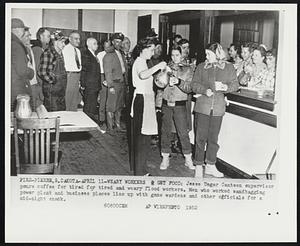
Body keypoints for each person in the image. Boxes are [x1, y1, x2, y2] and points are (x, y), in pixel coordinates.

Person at [191, 42, 239, 178]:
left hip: (218, 108)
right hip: (202, 107)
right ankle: (199, 166)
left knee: (213, 139)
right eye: (206, 54)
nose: (206, 56)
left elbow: (235, 84)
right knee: (200, 138)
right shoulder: (201, 67)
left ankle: (211, 165)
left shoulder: (228, 68)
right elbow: (194, 85)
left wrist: (225, 88)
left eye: (209, 54)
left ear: (218, 54)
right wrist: (204, 90)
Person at [130, 38, 167, 176]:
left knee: (144, 137)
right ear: (143, 49)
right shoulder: (139, 62)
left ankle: (140, 169)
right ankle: (140, 173)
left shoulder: (145, 62)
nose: (153, 53)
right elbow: (142, 75)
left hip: (146, 99)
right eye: (151, 50)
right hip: (142, 100)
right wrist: (158, 66)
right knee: (142, 138)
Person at [155, 46, 195, 170]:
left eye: (177, 55)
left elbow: (190, 88)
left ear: (182, 55)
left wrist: (178, 82)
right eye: (172, 55)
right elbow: (158, 85)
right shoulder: (166, 67)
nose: (174, 57)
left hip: (180, 105)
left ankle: (188, 159)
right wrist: (163, 74)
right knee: (165, 132)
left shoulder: (188, 69)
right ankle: (165, 158)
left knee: (183, 133)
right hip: (166, 103)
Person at [103, 32, 128, 132]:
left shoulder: (121, 54)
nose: (119, 44)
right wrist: (111, 86)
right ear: (112, 42)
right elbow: (107, 72)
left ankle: (117, 125)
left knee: (119, 106)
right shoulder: (109, 55)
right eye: (117, 42)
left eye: (120, 42)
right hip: (114, 83)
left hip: (122, 83)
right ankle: (110, 128)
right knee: (111, 106)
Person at [38, 30, 68, 111]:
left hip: (60, 93)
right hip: (52, 94)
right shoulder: (48, 53)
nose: (64, 45)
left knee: (61, 115)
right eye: (62, 42)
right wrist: (54, 81)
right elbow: (42, 72)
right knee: (53, 115)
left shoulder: (59, 54)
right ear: (55, 42)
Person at [11, 18, 35, 111]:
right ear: (16, 30)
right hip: (19, 90)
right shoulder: (16, 45)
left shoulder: (11, 43)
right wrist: (31, 71)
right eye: (22, 29)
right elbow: (22, 71)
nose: (23, 32)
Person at [21, 27, 46, 115]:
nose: (29, 38)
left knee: (37, 108)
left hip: (34, 84)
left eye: (29, 36)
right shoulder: (21, 50)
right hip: (28, 85)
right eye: (27, 36)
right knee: (29, 109)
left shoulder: (30, 49)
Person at [80, 38, 101, 122]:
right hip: (89, 85)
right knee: (89, 106)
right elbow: (84, 70)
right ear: (88, 44)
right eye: (94, 44)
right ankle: (86, 123)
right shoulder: (86, 55)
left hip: (95, 85)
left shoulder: (94, 55)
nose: (97, 45)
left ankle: (91, 122)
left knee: (92, 105)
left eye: (97, 43)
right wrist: (83, 84)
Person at [62, 31, 82, 111]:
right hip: (69, 76)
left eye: (79, 39)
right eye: (76, 39)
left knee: (75, 100)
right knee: (68, 99)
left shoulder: (78, 51)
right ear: (70, 39)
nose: (78, 41)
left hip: (77, 76)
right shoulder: (65, 49)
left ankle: (73, 119)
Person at [97, 39, 114, 131]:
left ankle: (110, 122)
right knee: (103, 99)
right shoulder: (100, 55)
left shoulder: (113, 54)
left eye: (108, 46)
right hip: (103, 76)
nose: (106, 48)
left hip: (111, 77)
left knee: (111, 99)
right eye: (105, 46)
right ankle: (101, 120)